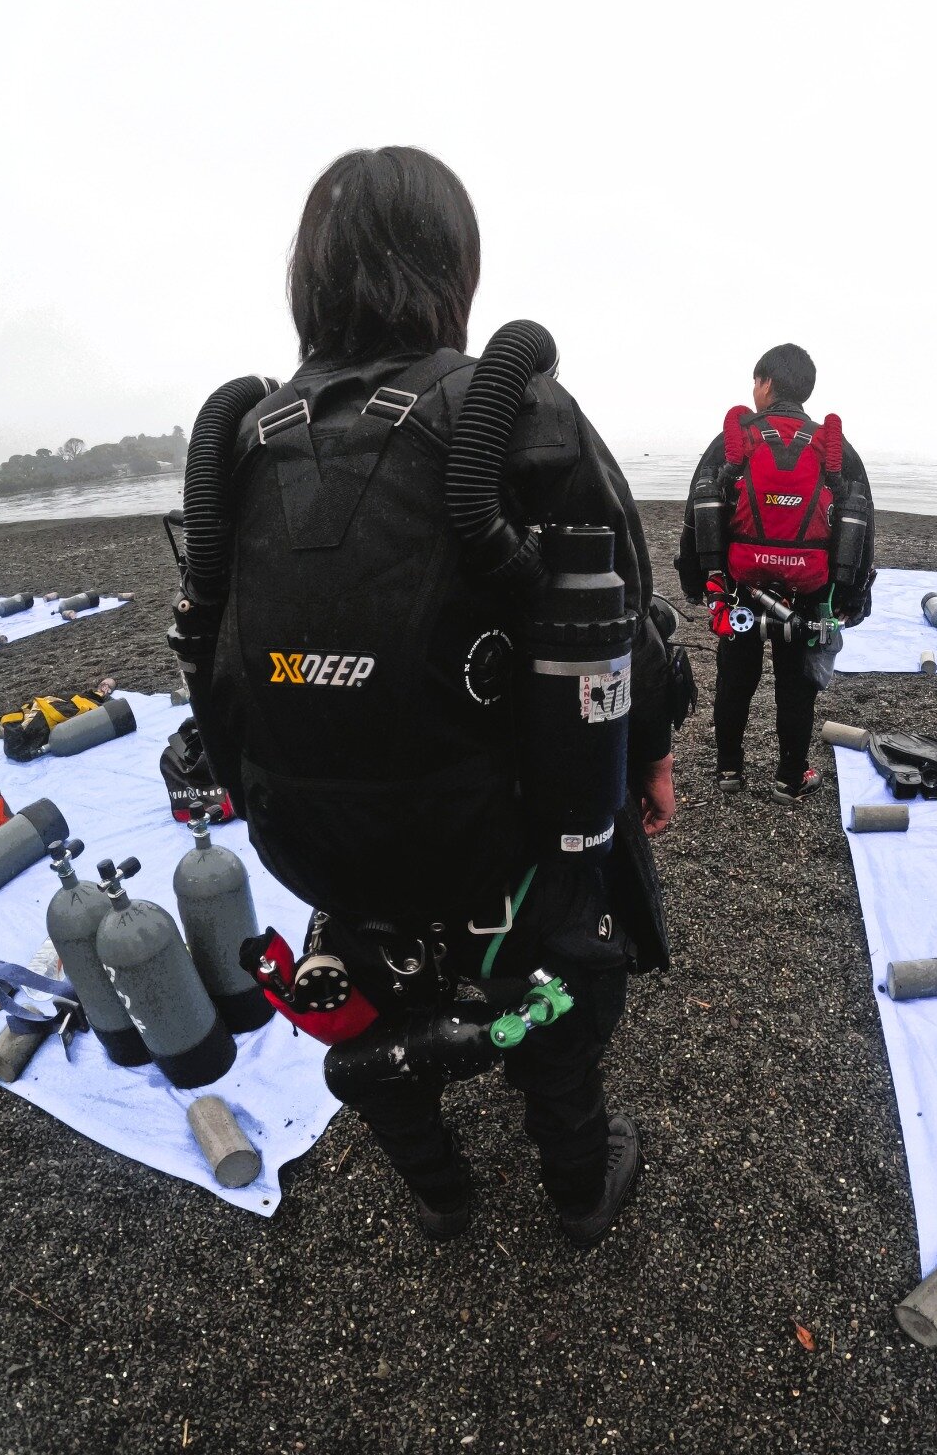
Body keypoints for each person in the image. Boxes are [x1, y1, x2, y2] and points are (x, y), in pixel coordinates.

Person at [175, 147, 675, 1248]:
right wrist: (647, 753)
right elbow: (618, 618)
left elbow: (213, 644)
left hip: (320, 842)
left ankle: (440, 1193)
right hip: (503, 837)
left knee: (365, 1007)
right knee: (554, 1005)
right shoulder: (514, 409)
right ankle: (578, 1188)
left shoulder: (246, 442)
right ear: (455, 265)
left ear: (308, 274)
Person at [676, 344, 874, 803]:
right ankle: (790, 778)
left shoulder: (735, 440)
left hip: (740, 589)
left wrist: (695, 581)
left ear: (766, 383)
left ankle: (729, 770)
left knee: (734, 680)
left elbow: (697, 510)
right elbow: (861, 519)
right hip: (809, 590)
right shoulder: (833, 447)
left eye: (756, 381)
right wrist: (854, 596)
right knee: (796, 688)